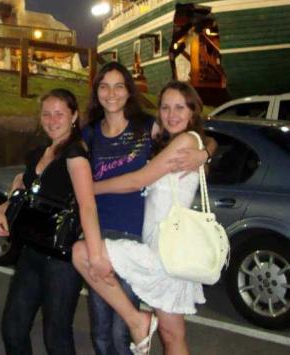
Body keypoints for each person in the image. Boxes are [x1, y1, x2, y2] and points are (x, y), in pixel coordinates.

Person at [77, 80, 208, 355]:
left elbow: (138, 180)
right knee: (172, 334)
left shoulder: (186, 140)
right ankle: (138, 321)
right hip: (157, 246)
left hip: (167, 251)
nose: (171, 114)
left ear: (193, 111)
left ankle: (137, 321)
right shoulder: (169, 141)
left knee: (82, 252)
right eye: (165, 108)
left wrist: (88, 188)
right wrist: (207, 152)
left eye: (180, 107)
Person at [0, 89, 112, 355]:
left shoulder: (75, 155)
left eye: (59, 114)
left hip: (61, 260)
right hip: (31, 251)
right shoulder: (38, 154)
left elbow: (87, 205)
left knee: (56, 337)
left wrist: (95, 256)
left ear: (74, 116)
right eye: (46, 114)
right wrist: (2, 207)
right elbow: (23, 186)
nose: (52, 120)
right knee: (13, 328)